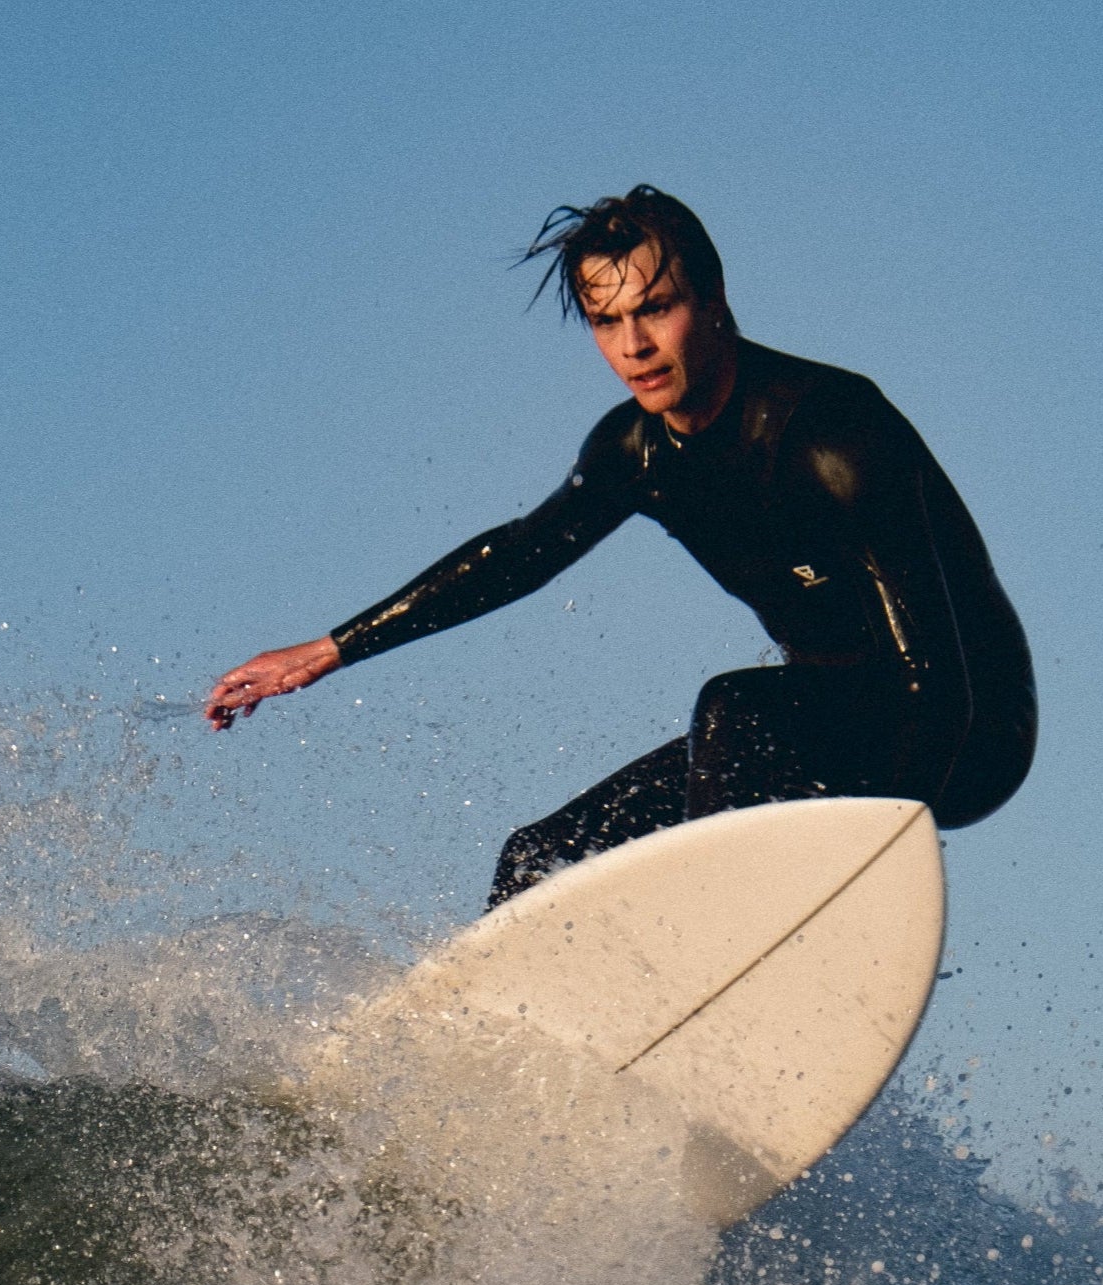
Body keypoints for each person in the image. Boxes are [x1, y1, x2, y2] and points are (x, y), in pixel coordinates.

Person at [205, 187, 1036, 906]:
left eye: (654, 310)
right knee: (541, 858)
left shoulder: (829, 429)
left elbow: (934, 666)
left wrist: (880, 847)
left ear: (712, 299)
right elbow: (517, 557)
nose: (633, 345)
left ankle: (715, 941)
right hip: (807, 730)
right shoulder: (635, 453)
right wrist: (327, 650)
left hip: (964, 724)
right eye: (606, 322)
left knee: (734, 710)